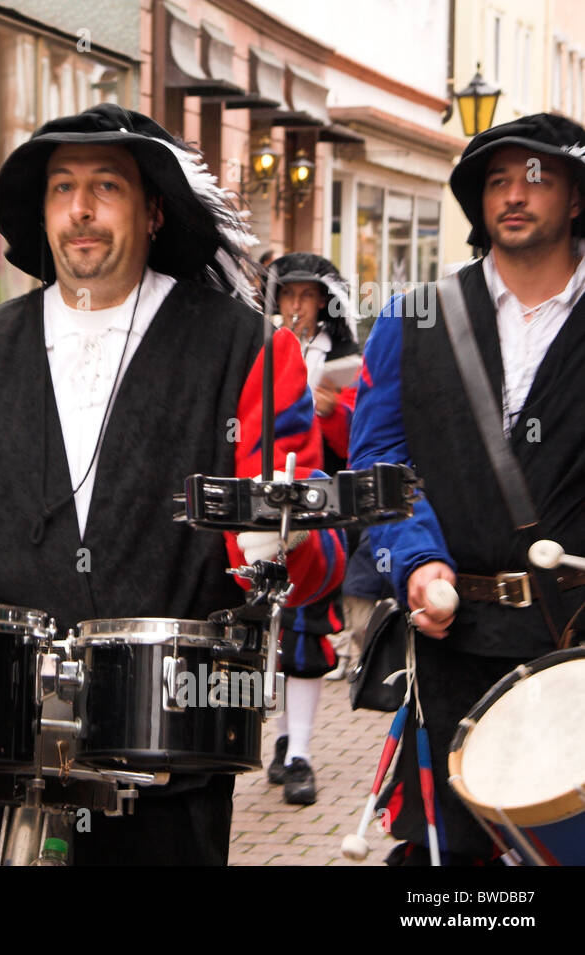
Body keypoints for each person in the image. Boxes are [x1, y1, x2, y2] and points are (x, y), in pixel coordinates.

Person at [0, 104, 346, 865]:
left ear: (154, 209)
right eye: (62, 189)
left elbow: (311, 540)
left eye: (106, 187)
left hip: (170, 741)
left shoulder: (244, 349)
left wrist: (277, 544)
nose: (81, 210)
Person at [350, 113, 585, 865]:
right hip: (454, 644)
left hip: (577, 647)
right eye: (496, 180)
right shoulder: (415, 317)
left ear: (576, 197)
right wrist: (420, 562)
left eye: (536, 178)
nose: (514, 194)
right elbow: (378, 468)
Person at [262, 254, 361, 803]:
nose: (298, 306)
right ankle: (281, 741)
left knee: (305, 632)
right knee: (268, 633)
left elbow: (363, 442)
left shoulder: (346, 360)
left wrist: (330, 413)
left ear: (325, 302)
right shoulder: (253, 348)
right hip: (259, 508)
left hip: (319, 513)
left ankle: (300, 753)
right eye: (289, 295)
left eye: (308, 296)